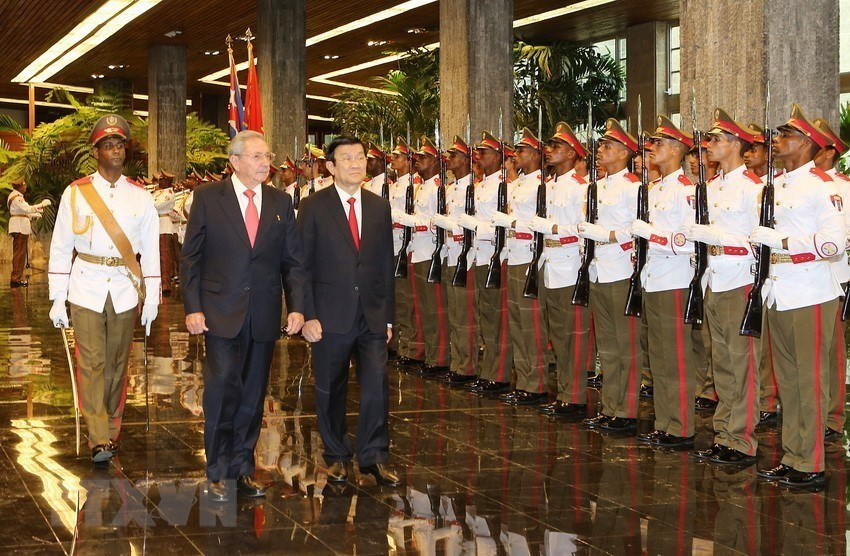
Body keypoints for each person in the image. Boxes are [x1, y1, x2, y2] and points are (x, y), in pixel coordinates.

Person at [181, 130, 306, 501]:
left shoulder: (281, 202)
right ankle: (217, 468)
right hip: (218, 311)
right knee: (221, 390)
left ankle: (243, 467)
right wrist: (193, 307)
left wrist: (297, 306)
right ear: (234, 162)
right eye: (256, 156)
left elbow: (293, 262)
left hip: (263, 313)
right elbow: (191, 257)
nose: (265, 163)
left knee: (253, 395)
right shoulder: (207, 197)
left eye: (267, 156)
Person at [48, 114, 160, 463]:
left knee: (116, 363)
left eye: (120, 144)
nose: (116, 151)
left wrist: (152, 296)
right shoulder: (76, 193)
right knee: (92, 362)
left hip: (125, 288)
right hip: (86, 286)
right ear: (96, 151)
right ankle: (99, 437)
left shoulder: (140, 198)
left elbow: (151, 249)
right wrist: (56, 296)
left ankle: (112, 427)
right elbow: (62, 245)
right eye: (108, 145)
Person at [297, 135, 400, 487]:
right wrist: (307, 314)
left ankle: (374, 456)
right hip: (329, 315)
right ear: (330, 166)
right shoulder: (313, 206)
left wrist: (387, 317)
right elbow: (302, 266)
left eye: (360, 157)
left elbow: (386, 263)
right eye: (347, 159)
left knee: (375, 387)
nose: (356, 164)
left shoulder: (378, 206)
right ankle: (337, 456)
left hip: (370, 314)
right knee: (330, 388)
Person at [752, 104, 844, 487]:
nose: (776, 141)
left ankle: (810, 463)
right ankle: (793, 456)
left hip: (810, 290)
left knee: (809, 380)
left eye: (785, 136)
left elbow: (834, 244)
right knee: (788, 380)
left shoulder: (822, 187)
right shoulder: (777, 183)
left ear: (806, 144)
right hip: (780, 291)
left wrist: (785, 242)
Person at [689, 109, 763, 464]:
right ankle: (724, 433)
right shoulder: (710, 187)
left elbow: (756, 242)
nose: (708, 145)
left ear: (736, 144)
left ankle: (742, 439)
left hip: (738, 280)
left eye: (716, 140)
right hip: (713, 279)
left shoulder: (754, 188)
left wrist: (715, 237)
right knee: (721, 362)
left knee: (740, 362)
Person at [580, 119, 642, 432]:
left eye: (607, 147)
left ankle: (627, 409)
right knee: (607, 345)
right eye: (601, 146)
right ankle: (610, 405)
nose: (600, 151)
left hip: (620, 271)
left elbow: (636, 231)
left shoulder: (634, 187)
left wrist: (605, 235)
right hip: (598, 270)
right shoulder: (596, 186)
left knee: (625, 344)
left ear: (624, 153)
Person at [527, 122, 591, 418]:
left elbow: (582, 229)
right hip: (548, 264)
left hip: (568, 265)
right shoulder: (548, 186)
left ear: (572, 154)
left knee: (571, 335)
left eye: (556, 148)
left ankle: (575, 396)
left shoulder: (582, 188)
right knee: (555, 331)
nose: (549, 152)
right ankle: (564, 391)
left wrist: (551, 228)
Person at [490, 128, 550, 405]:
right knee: (516, 321)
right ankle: (524, 379)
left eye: (523, 151)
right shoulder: (519, 185)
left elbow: (541, 226)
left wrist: (512, 224)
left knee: (531, 325)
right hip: (513, 255)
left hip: (529, 256)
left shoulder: (543, 185)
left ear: (537, 155)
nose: (517, 155)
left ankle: (536, 384)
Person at [458, 132, 515, 396]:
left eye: (485, 153)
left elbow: (501, 226)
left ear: (499, 157)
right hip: (480, 255)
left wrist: (476, 227)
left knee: (497, 318)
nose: (479, 156)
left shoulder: (505, 186)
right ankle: (488, 370)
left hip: (495, 254)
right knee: (485, 316)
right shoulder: (480, 186)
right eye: (479, 152)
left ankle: (499, 373)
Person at [395, 136, 450, 375]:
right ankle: (428, 352)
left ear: (437, 162)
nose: (419, 160)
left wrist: (412, 222)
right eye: (417, 157)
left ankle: (439, 358)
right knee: (421, 307)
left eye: (424, 157)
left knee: (435, 309)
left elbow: (438, 222)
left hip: (431, 252)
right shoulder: (420, 187)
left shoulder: (439, 188)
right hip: (416, 251)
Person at [432, 135, 480, 386]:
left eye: (453, 156)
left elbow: (471, 225)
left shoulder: (475, 186)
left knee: (466, 315)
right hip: (451, 254)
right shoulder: (450, 188)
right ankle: (458, 363)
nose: (448, 160)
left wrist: (448, 224)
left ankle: (468, 366)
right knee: (455, 314)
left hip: (467, 256)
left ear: (465, 160)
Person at [813, 117, 850, 442]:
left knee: (830, 351)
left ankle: (833, 415)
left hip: (833, 274)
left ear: (828, 152)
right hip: (804, 277)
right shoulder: (807, 183)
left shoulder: (841, 187)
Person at [7, 177, 50, 286]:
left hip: (19, 225)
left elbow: (22, 212)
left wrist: (34, 215)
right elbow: (27, 209)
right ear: (20, 186)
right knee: (19, 254)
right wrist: (42, 205)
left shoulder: (16, 196)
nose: (26, 187)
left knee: (20, 253)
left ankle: (16, 277)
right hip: (19, 227)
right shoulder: (17, 198)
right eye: (24, 185)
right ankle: (16, 278)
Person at [152, 171, 177, 295]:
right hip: (156, 225)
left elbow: (155, 205)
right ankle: (159, 283)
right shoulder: (158, 192)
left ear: (167, 181)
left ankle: (166, 285)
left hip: (164, 225)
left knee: (165, 257)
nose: (159, 181)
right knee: (157, 257)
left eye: (161, 179)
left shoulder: (169, 193)